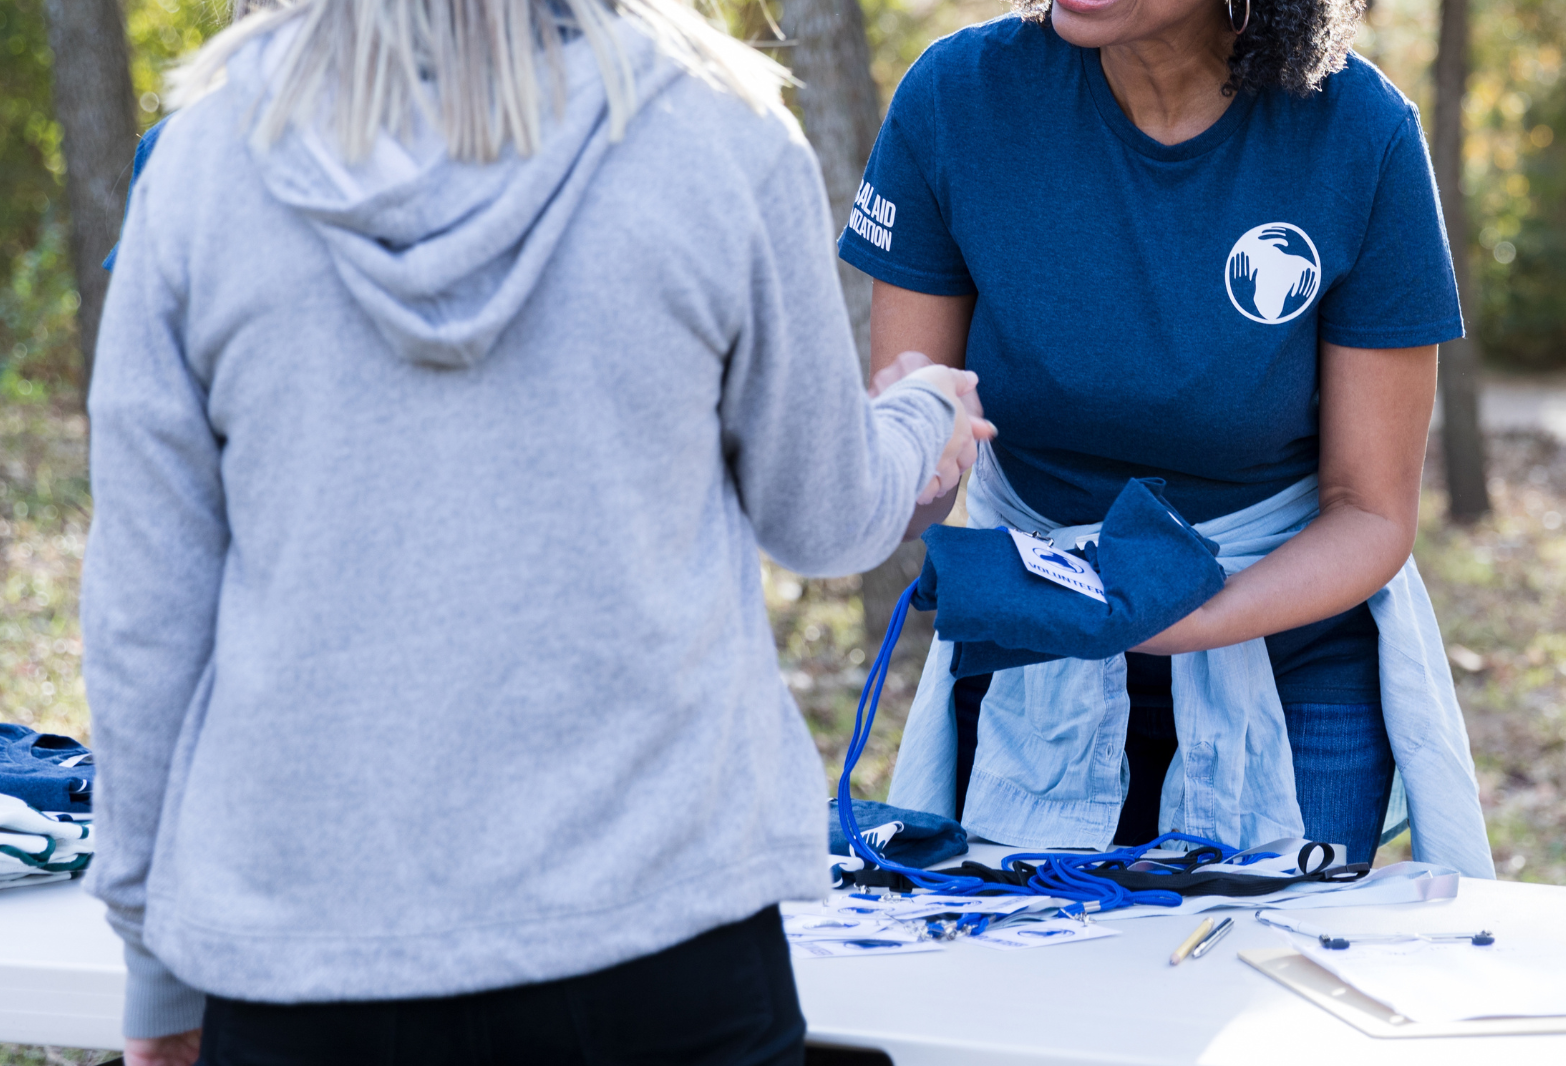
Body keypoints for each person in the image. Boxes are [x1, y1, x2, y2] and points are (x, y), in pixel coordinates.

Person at [82, 2, 994, 1064]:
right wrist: (923, 416)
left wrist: (155, 966)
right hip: (664, 949)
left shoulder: (207, 165)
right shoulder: (715, 136)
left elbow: (147, 616)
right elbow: (826, 516)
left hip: (306, 957)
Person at [842, 0, 1495, 875]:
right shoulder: (959, 98)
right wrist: (910, 457)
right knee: (1030, 958)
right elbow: (911, 480)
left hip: (1289, 657)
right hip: (1037, 653)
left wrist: (1187, 619)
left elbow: (1371, 511)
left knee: (1271, 956)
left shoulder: (1360, 135)